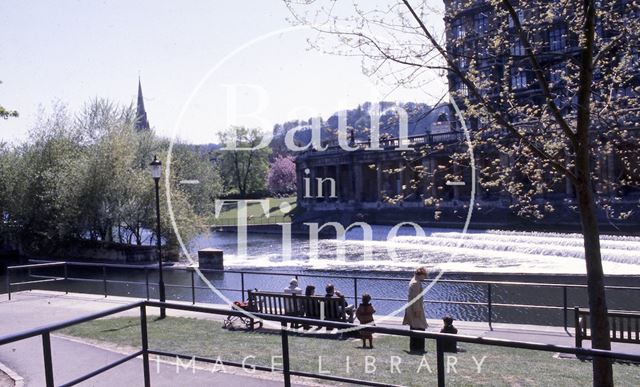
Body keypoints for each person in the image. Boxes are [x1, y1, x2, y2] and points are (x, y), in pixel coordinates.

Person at [402, 267, 428, 353]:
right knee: (419, 327)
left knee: (414, 327)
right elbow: (416, 298)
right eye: (425, 275)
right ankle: (418, 347)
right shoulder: (416, 283)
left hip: (413, 307)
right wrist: (417, 310)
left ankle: (415, 347)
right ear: (421, 275)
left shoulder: (414, 281)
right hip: (415, 308)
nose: (425, 277)